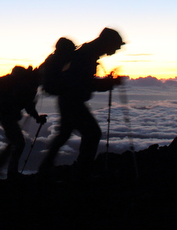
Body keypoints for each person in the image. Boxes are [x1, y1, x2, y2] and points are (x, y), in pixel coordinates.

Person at [38, 27, 124, 178]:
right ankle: (82, 172)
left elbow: (81, 80)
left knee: (64, 134)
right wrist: (108, 84)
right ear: (107, 42)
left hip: (68, 99)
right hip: (72, 100)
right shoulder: (87, 55)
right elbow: (83, 82)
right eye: (116, 46)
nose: (116, 49)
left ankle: (45, 169)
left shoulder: (88, 53)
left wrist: (104, 83)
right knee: (92, 133)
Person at [0, 65, 47, 178]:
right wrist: (37, 117)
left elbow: (26, 104)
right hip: (8, 116)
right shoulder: (27, 84)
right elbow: (28, 105)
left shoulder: (23, 82)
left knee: (14, 142)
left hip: (6, 116)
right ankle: (11, 172)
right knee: (19, 142)